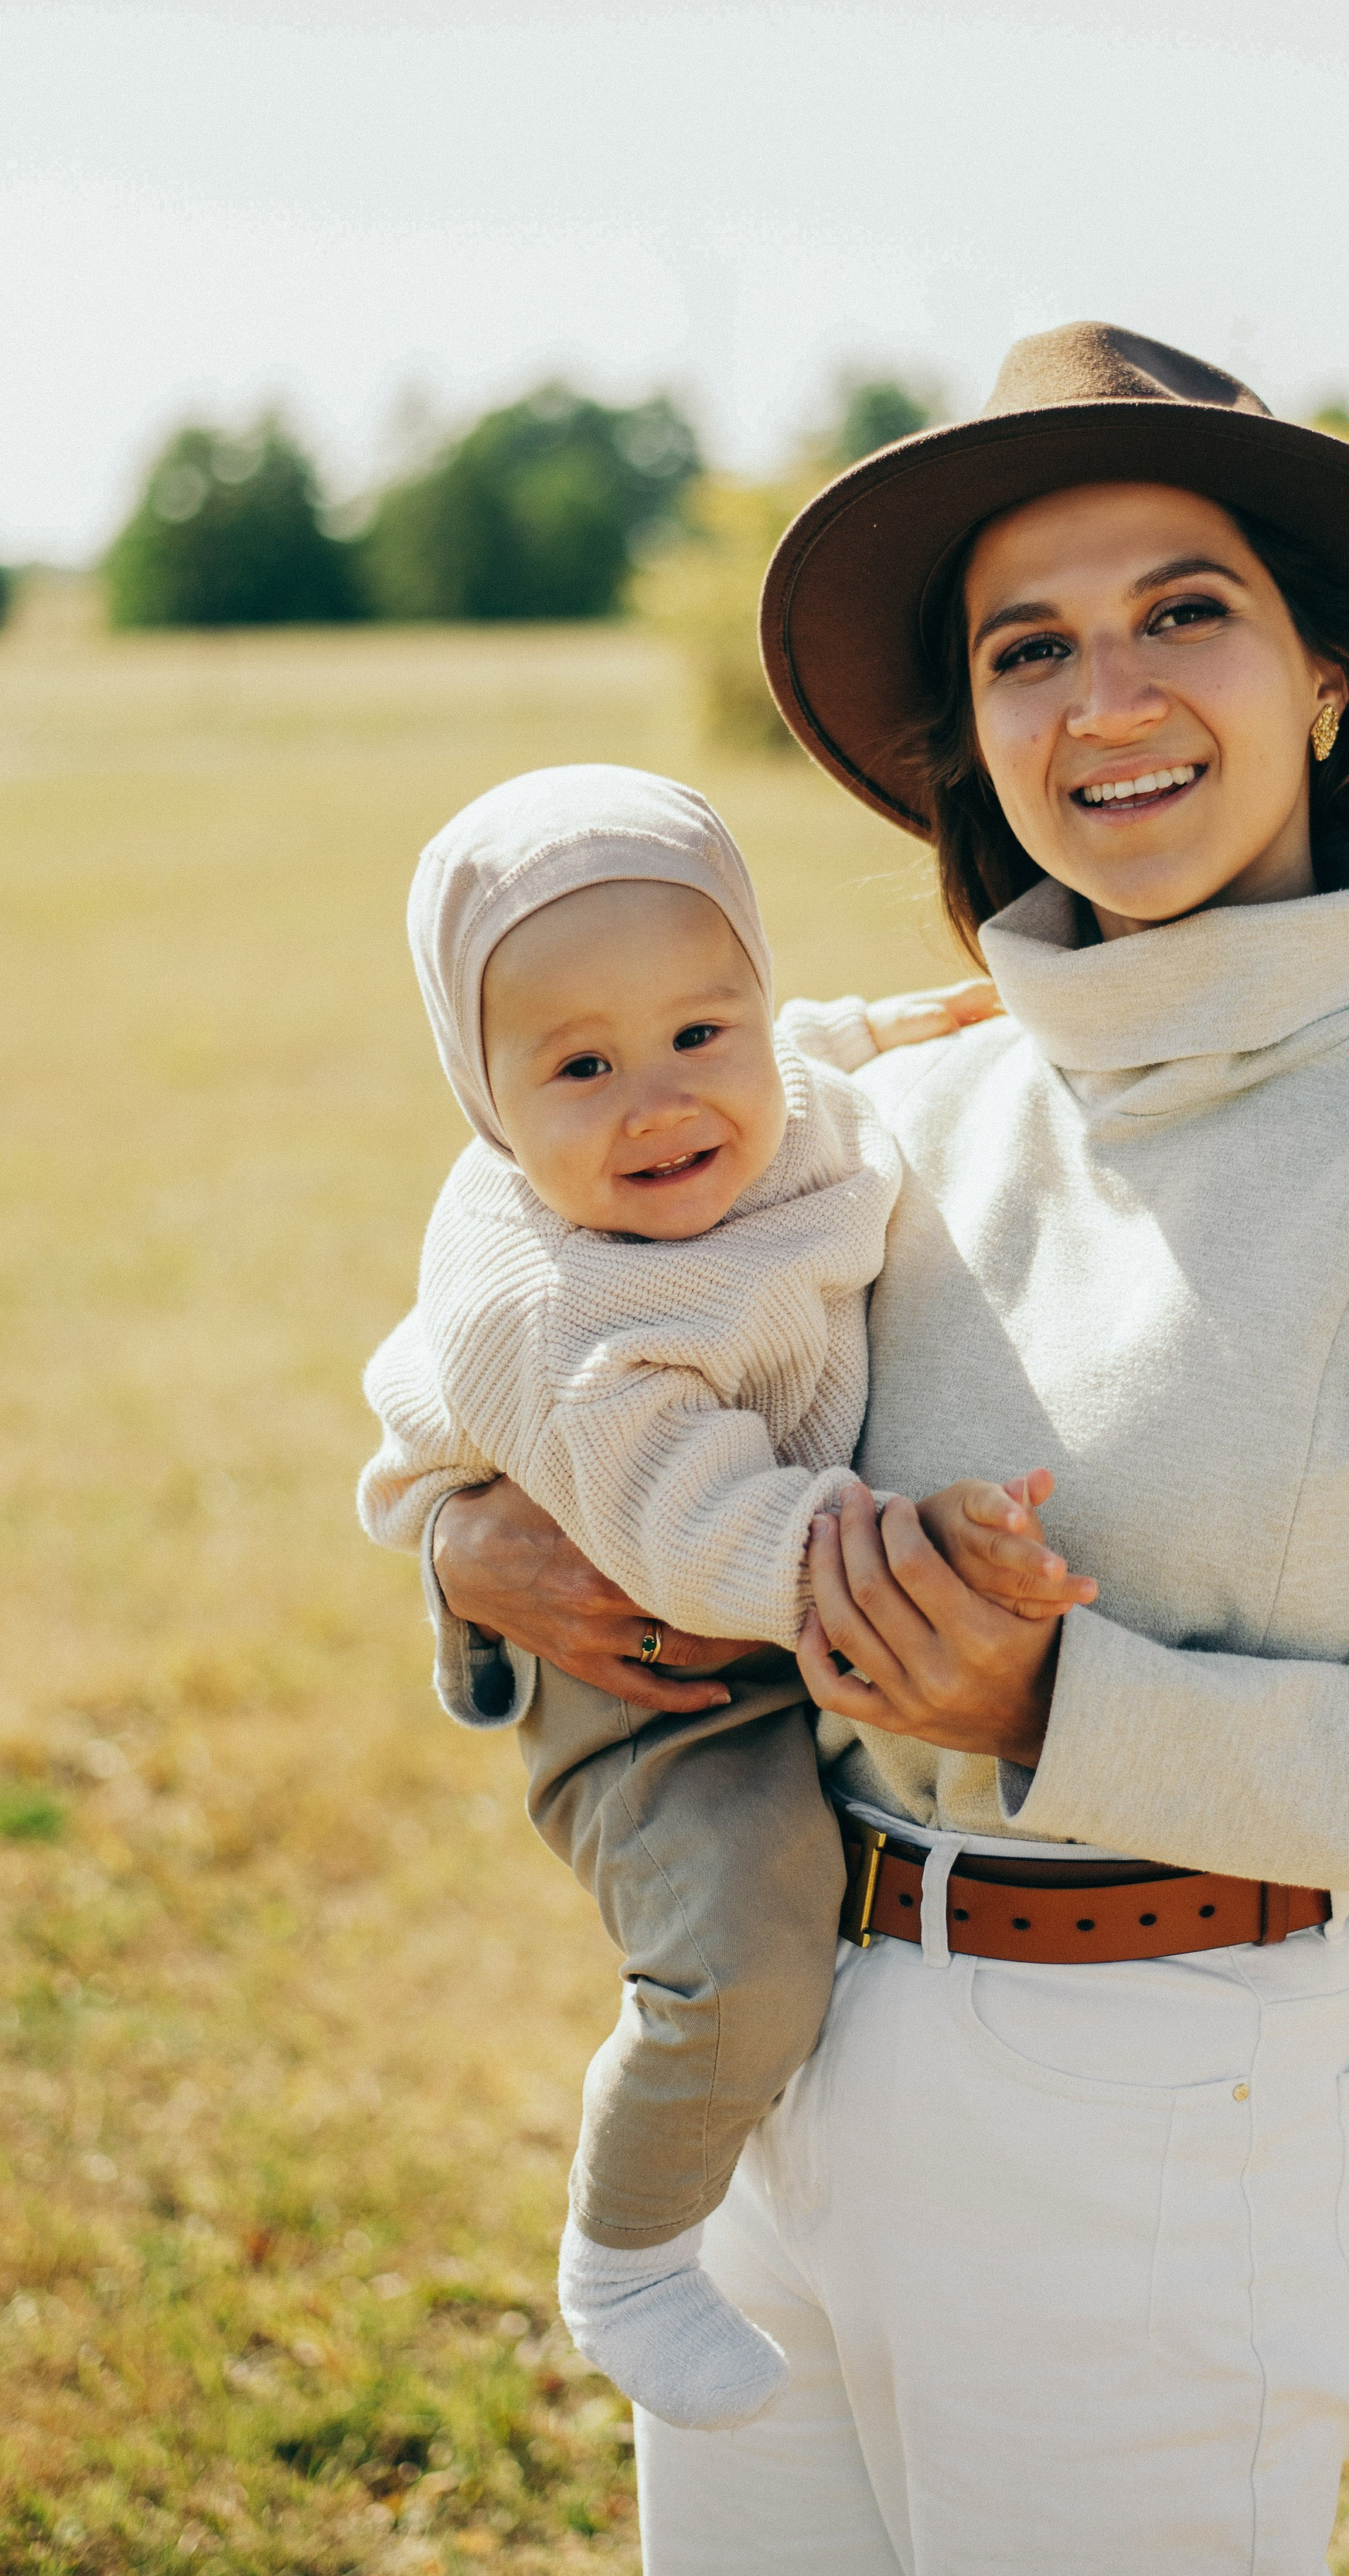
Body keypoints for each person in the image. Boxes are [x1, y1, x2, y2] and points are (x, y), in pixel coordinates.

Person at [425, 324, 1349, 2576]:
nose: (1104, 694)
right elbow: (544, 1302)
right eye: (1026, 644)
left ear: (1325, 678)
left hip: (1143, 2092)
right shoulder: (864, 1114)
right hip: (781, 2055)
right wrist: (460, 1538)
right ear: (972, 728)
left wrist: (1057, 1704)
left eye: (1183, 610)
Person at [358, 763, 1087, 2431]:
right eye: (580, 1067)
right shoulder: (564, 1311)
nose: (660, 1102)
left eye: (701, 1031)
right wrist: (906, 1548)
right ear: (485, 1096)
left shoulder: (771, 1098)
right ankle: (626, 2256)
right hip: (645, 1656)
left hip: (732, 1554)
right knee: (748, 1939)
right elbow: (687, 1539)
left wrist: (916, 1025)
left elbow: (812, 1045)